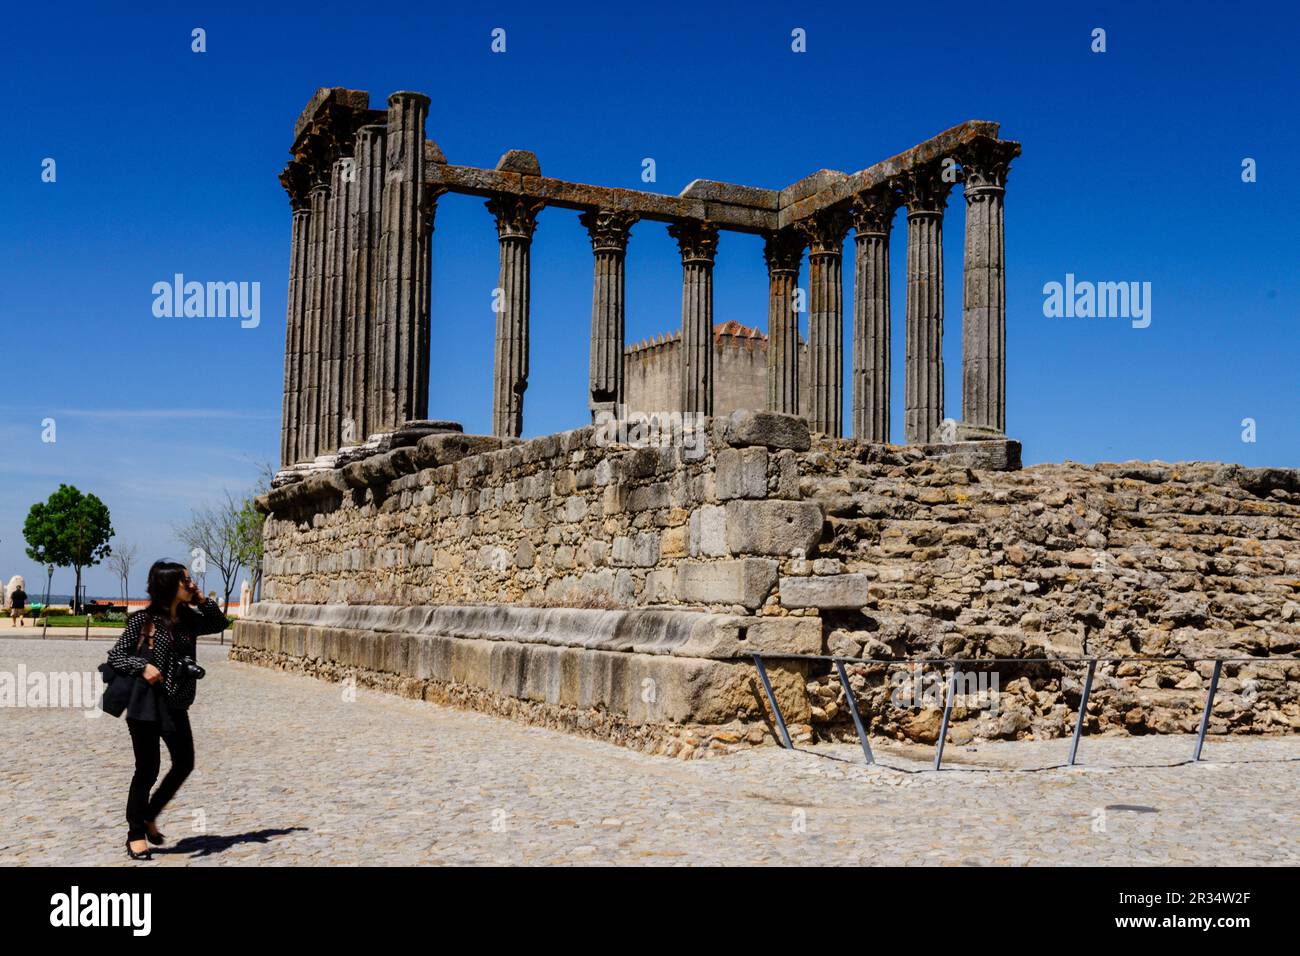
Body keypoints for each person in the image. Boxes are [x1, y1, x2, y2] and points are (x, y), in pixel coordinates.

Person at [106, 560, 228, 860]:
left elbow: (220, 623)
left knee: (184, 762)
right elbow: (115, 657)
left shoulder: (189, 619)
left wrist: (202, 599)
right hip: (145, 704)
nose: (190, 583)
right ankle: (135, 834)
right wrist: (142, 665)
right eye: (184, 580)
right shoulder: (142, 621)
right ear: (167, 585)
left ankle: (149, 816)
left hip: (175, 704)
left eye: (190, 579)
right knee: (147, 770)